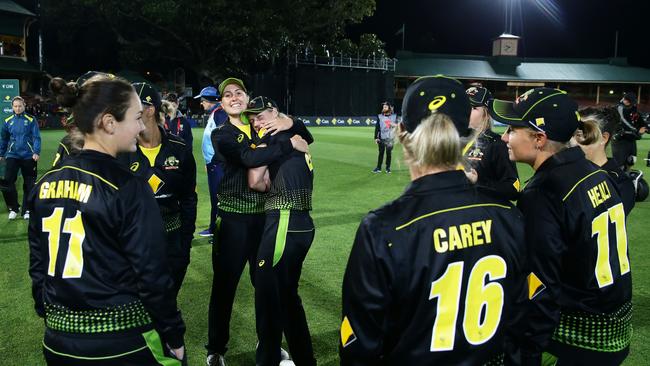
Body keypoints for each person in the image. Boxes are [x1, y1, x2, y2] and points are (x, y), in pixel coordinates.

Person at [340, 75, 526, 365]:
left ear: (401, 132)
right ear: (464, 134)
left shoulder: (382, 228)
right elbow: (519, 322)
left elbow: (360, 346)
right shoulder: (510, 218)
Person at [29, 74, 186, 365]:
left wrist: (51, 313)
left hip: (57, 343)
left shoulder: (46, 183)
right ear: (109, 123)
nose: (142, 126)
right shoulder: (129, 186)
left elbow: (38, 265)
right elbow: (152, 275)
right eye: (136, 117)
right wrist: (173, 334)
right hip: (121, 343)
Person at [489, 88, 632, 364]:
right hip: (614, 323)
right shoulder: (594, 173)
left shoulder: (545, 192)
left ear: (539, 139)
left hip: (584, 336)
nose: (505, 137)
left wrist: (525, 353)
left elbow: (541, 285)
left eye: (512, 129)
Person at [206, 78, 309, 366]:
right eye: (227, 95)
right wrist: (289, 143)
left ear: (247, 97)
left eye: (239, 92)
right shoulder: (222, 134)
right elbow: (250, 159)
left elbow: (305, 135)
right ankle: (216, 349)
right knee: (225, 286)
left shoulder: (259, 125)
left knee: (267, 288)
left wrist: (289, 122)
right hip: (233, 220)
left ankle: (270, 344)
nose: (234, 97)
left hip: (265, 218)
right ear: (222, 103)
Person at [245, 96, 316, 366]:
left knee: (267, 297)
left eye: (260, 116)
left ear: (274, 113)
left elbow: (255, 182)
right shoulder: (294, 135)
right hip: (300, 222)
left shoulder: (274, 138)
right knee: (287, 297)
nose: (257, 123)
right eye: (253, 121)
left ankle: (268, 360)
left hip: (283, 220)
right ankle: (305, 360)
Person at [121, 82, 198, 300]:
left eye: (129, 108)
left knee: (167, 303)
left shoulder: (179, 148)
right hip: (134, 242)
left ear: (150, 109)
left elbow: (189, 199)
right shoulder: (121, 151)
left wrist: (184, 244)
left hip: (173, 241)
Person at [574, 106, 636, 215]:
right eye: (573, 136)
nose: (574, 143)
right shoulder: (570, 172)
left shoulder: (620, 183)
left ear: (604, 138)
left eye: (582, 135)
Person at [465, 86, 520, 200]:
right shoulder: (452, 141)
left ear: (487, 113)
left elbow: (513, 189)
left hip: (483, 214)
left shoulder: (497, 144)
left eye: (473, 107)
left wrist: (478, 183)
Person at [0, 96, 41, 220]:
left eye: (20, 106)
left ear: (24, 106)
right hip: (13, 155)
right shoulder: (7, 121)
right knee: (7, 182)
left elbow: (36, 137)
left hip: (29, 156)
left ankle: (27, 210)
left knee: (29, 184)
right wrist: (1, 153)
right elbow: (3, 138)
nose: (18, 108)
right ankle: (13, 208)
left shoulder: (31, 119)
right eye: (15, 106)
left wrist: (36, 151)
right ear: (12, 107)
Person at [196, 86, 228, 238]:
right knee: (216, 197)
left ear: (210, 100)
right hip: (213, 164)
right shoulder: (216, 113)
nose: (201, 104)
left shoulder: (220, 113)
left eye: (203, 101)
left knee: (218, 197)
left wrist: (215, 160)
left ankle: (218, 230)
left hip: (218, 164)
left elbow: (223, 139)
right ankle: (213, 228)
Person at [612, 92, 647, 171]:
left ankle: (627, 178)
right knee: (620, 163)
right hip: (620, 139)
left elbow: (638, 118)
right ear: (625, 100)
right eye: (629, 102)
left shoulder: (632, 106)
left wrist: (645, 127)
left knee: (631, 160)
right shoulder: (619, 108)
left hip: (631, 138)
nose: (631, 104)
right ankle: (618, 180)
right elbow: (624, 121)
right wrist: (637, 130)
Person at [372, 101, 397, 173]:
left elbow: (397, 126)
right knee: (381, 153)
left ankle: (388, 168)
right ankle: (378, 168)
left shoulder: (394, 116)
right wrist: (376, 137)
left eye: (385, 107)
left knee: (389, 154)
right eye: (383, 107)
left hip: (390, 138)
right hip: (381, 137)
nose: (384, 108)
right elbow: (377, 127)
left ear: (389, 108)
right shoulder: (380, 116)